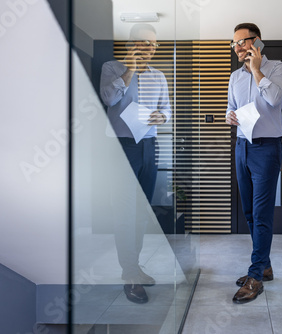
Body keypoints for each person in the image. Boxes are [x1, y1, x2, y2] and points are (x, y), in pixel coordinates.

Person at [99, 24, 171, 304]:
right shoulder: (111, 68)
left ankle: (134, 266)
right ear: (131, 44)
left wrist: (161, 118)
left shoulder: (159, 76)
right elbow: (109, 98)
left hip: (150, 146)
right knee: (125, 212)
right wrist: (129, 70)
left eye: (153, 44)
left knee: (141, 211)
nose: (148, 48)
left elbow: (166, 107)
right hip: (122, 147)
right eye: (143, 43)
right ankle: (129, 273)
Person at [226, 23, 282, 304]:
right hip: (242, 146)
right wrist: (230, 116)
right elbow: (231, 107)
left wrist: (256, 69)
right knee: (250, 212)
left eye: (242, 42)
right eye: (234, 44)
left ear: (257, 42)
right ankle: (264, 265)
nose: (238, 48)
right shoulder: (234, 77)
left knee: (262, 214)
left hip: (267, 149)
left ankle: (255, 276)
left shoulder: (277, 69)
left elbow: (274, 99)